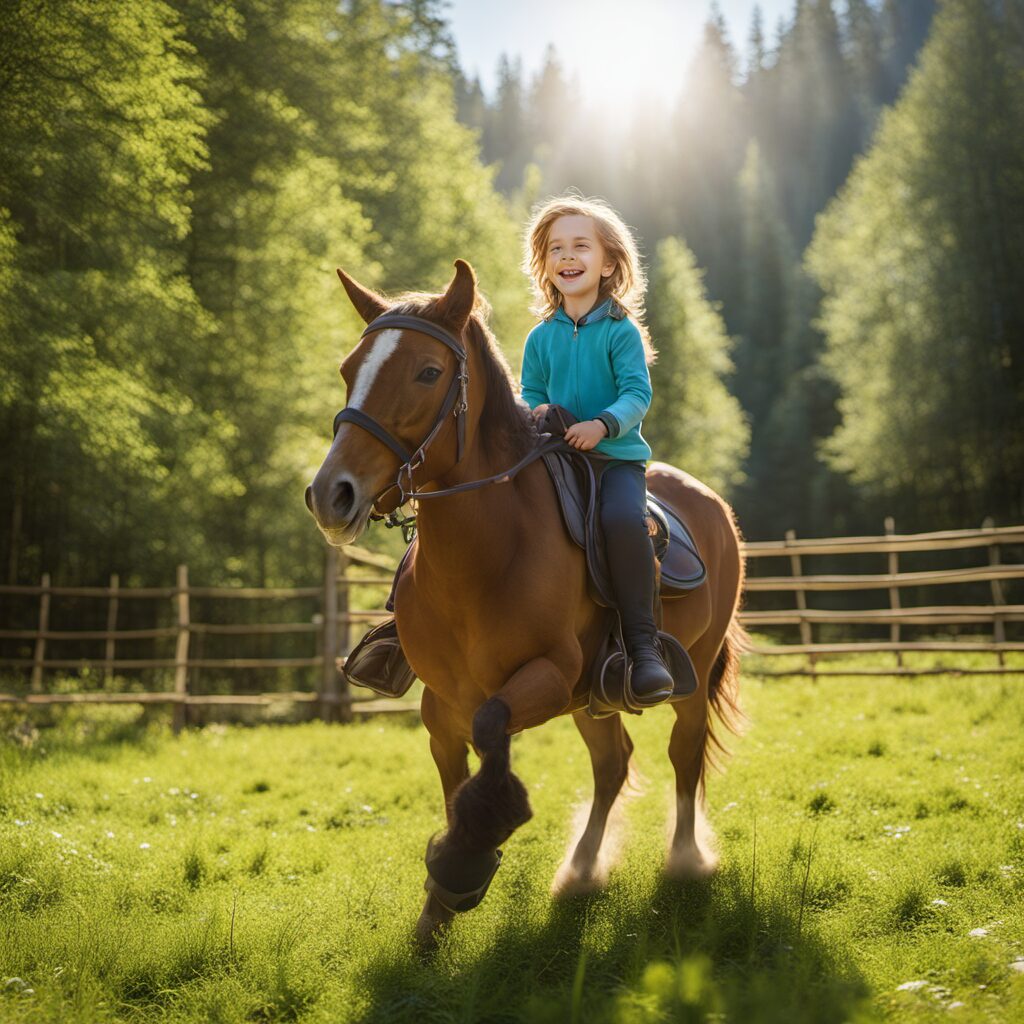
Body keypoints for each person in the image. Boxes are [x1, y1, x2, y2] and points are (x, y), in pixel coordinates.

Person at [520, 193, 674, 701]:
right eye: (556, 249)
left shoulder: (620, 330)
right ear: (543, 263)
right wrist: (539, 417)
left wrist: (603, 426)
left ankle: (643, 647)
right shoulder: (539, 338)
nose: (567, 257)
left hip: (615, 464)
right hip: (554, 458)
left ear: (608, 263)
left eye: (580, 247)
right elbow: (532, 397)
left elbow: (637, 393)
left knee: (621, 522)